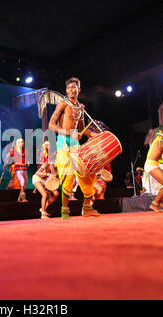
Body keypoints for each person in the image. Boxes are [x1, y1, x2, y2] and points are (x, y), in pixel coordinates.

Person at [48, 77, 100, 219]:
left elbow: (82, 130)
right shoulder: (62, 104)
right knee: (68, 176)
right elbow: (51, 124)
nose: (72, 90)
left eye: (74, 87)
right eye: (69, 87)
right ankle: (65, 210)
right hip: (63, 143)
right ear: (66, 90)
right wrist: (69, 133)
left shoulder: (80, 108)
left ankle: (87, 208)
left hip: (75, 145)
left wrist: (93, 135)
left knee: (86, 174)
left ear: (79, 89)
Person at [144, 125, 163, 212]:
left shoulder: (160, 141)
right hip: (150, 165)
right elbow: (162, 147)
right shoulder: (159, 139)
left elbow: (157, 156)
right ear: (161, 132)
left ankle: (159, 200)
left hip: (155, 164)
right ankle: (154, 204)